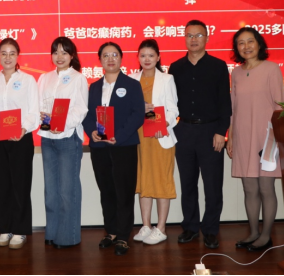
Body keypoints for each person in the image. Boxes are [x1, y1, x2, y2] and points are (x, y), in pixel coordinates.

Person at [169, 20, 232, 249]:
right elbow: (169, 101)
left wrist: (221, 132)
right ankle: (190, 227)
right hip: (184, 130)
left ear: (206, 38)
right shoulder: (175, 67)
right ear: (184, 38)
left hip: (210, 132)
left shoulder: (218, 66)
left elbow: (225, 103)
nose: (193, 39)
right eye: (189, 35)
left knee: (213, 185)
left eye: (198, 35)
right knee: (188, 184)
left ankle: (211, 230)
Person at [83, 42, 144, 256]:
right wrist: (92, 131)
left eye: (114, 55)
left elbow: (138, 114)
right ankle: (111, 231)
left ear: (121, 58)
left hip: (123, 145)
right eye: (106, 55)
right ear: (100, 60)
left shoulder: (132, 84)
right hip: (99, 146)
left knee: (124, 192)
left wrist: (120, 136)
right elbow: (88, 115)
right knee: (107, 190)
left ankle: (123, 236)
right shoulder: (94, 87)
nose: (110, 59)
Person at [226, 27, 284, 252]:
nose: (246, 46)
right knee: (249, 188)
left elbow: (279, 106)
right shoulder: (236, 73)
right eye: (241, 43)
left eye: (250, 41)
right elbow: (233, 108)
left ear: (259, 44)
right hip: (242, 135)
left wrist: (277, 138)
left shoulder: (271, 69)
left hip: (266, 136)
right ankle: (253, 233)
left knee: (266, 187)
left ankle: (266, 236)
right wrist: (231, 136)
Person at [0, 38, 40, 250]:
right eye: (3, 53)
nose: (7, 57)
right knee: (1, 184)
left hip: (21, 135)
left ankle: (19, 230)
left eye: (12, 53)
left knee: (20, 184)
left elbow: (34, 110)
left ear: (18, 56)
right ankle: (5, 228)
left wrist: (24, 129)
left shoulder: (28, 80)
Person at [38, 37, 89, 249]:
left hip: (68, 137)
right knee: (51, 191)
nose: (59, 57)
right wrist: (43, 117)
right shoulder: (44, 78)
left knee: (68, 191)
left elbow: (81, 109)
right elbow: (39, 105)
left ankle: (68, 236)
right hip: (47, 138)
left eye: (64, 52)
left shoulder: (78, 78)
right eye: (55, 52)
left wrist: (63, 124)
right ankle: (52, 232)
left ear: (71, 56)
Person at [129, 39, 179, 246]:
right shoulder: (132, 79)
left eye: (151, 55)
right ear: (138, 58)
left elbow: (173, 109)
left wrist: (164, 125)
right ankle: (146, 225)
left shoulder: (167, 79)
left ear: (158, 57)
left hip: (160, 137)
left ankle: (161, 228)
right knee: (143, 181)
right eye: (143, 55)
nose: (147, 59)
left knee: (161, 180)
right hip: (139, 137)